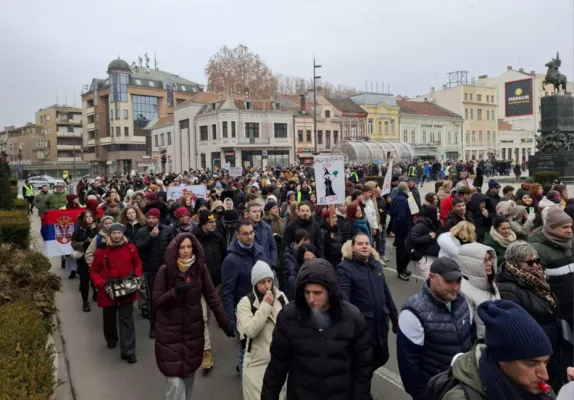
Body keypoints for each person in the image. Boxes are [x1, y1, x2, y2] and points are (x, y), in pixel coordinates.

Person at [261, 258, 373, 399]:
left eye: (317, 293)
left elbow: (363, 368)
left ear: (330, 291)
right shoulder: (289, 317)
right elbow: (276, 368)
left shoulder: (352, 318)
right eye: (307, 292)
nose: (311, 299)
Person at [154, 233, 234, 400]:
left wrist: (225, 322)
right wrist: (174, 293)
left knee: (189, 379)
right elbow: (157, 301)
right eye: (182, 247)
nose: (185, 251)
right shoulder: (165, 271)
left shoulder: (199, 269)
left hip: (192, 332)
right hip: (170, 334)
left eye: (189, 247)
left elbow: (212, 296)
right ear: (175, 249)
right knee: (175, 384)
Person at [441, 300, 555, 399]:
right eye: (531, 364)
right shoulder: (462, 397)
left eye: (545, 362)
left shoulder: (539, 389)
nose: (545, 375)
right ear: (502, 360)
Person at [397, 258, 475, 400]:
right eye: (449, 281)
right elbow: (408, 364)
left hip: (464, 386)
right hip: (434, 391)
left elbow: (472, 339)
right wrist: (422, 395)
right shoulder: (413, 312)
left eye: (458, 281)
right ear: (431, 277)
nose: (455, 287)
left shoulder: (463, 301)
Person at [496, 241, 564, 391]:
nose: (535, 266)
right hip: (535, 349)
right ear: (515, 264)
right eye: (530, 263)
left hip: (551, 342)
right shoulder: (509, 289)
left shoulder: (537, 280)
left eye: (537, 261)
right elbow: (517, 326)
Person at [337, 233, 398, 369]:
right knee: (362, 365)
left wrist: (394, 316)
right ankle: (359, 389)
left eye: (367, 243)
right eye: (360, 244)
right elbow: (343, 298)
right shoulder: (345, 268)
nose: (364, 246)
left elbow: (386, 293)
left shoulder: (376, 265)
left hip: (381, 324)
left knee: (382, 357)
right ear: (352, 248)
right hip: (363, 327)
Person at [221, 221, 271, 375]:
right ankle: (245, 380)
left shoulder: (260, 251)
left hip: (263, 307)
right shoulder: (231, 260)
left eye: (251, 233)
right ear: (237, 235)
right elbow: (227, 292)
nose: (249, 236)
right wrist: (230, 320)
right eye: (245, 233)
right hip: (244, 311)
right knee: (245, 348)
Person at [90, 223, 142, 364]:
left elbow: (138, 263)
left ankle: (128, 351)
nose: (117, 236)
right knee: (109, 318)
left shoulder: (130, 248)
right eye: (114, 233)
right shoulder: (102, 251)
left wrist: (137, 275)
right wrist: (100, 283)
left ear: (123, 234)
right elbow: (93, 270)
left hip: (127, 289)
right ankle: (112, 338)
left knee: (126, 320)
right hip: (108, 290)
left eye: (119, 233)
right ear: (110, 235)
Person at [237, 261, 289, 400]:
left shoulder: (281, 297)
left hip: (278, 361)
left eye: (269, 281)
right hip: (256, 363)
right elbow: (250, 330)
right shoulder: (245, 303)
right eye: (262, 282)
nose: (267, 286)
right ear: (255, 283)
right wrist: (265, 305)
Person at [529, 207, 573, 362]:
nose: (569, 231)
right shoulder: (537, 249)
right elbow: (537, 284)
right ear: (552, 228)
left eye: (570, 227)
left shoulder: (568, 243)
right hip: (558, 314)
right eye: (565, 227)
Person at [191, 210, 227, 370]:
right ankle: (206, 351)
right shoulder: (193, 239)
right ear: (202, 223)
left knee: (211, 313)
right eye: (210, 222)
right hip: (201, 283)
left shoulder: (218, 238)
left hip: (217, 283)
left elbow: (225, 257)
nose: (213, 224)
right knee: (204, 317)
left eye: (214, 222)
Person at [134, 208, 174, 338]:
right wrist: (151, 237)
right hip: (150, 270)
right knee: (154, 298)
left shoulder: (167, 230)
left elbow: (172, 247)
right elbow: (138, 248)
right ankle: (154, 327)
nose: (151, 220)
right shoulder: (142, 231)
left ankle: (168, 325)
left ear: (158, 218)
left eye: (154, 218)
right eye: (149, 218)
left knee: (168, 297)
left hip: (165, 269)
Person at [458, 242, 499, 339]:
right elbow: (466, 329)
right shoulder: (463, 291)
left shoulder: (490, 282)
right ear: (472, 264)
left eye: (490, 259)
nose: (490, 263)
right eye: (484, 260)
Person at [71, 210, 98, 312]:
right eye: (87, 216)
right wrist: (84, 244)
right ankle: (85, 301)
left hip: (95, 258)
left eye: (90, 216)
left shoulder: (97, 228)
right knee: (84, 280)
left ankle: (96, 294)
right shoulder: (78, 230)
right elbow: (73, 243)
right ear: (83, 218)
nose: (89, 218)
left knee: (95, 279)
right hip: (83, 259)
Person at [407, 205, 441, 279]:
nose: (439, 214)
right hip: (425, 258)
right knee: (430, 282)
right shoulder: (421, 225)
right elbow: (413, 238)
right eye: (437, 212)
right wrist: (429, 237)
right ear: (431, 213)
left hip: (435, 256)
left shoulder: (437, 223)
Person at [390, 182, 413, 281]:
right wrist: (408, 226)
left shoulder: (395, 198)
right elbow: (402, 216)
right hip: (402, 227)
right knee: (402, 250)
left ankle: (402, 268)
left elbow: (391, 212)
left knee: (402, 249)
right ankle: (400, 270)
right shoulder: (403, 200)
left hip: (397, 225)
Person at [247, 202, 278, 271]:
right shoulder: (242, 229)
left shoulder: (267, 228)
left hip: (266, 267)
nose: (257, 214)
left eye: (259, 211)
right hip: (250, 268)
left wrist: (272, 264)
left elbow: (273, 247)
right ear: (248, 214)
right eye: (254, 211)